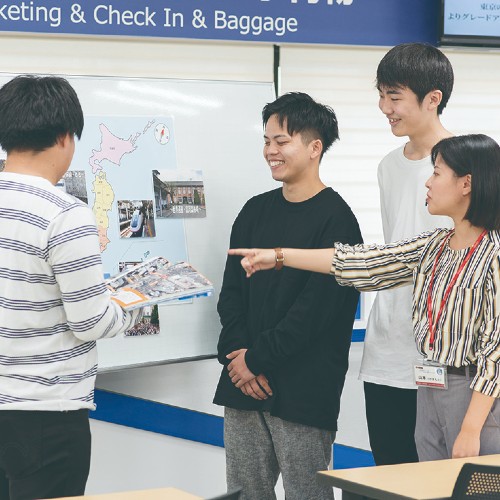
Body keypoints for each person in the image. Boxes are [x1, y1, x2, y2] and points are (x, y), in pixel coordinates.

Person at [229, 134, 500, 462]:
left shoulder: (494, 255)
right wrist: (280, 256)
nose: (427, 182)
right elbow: (362, 263)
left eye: (437, 173)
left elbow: (494, 353)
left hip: (475, 396)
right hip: (431, 388)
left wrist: (471, 428)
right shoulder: (435, 245)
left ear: (466, 184)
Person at [213, 92, 363, 500]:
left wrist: (256, 361)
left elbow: (315, 314)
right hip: (243, 385)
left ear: (315, 148)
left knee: (307, 494)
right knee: (244, 493)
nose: (270, 151)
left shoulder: (338, 220)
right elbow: (231, 296)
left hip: (302, 390)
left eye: (282, 141)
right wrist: (238, 357)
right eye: (267, 141)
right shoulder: (254, 211)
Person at [0, 75, 141, 500]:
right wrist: (131, 303)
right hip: (44, 414)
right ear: (65, 137)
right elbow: (90, 320)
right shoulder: (64, 213)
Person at [361, 43, 454, 466]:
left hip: (444, 355)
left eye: (394, 96)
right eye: (381, 95)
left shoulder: (471, 162)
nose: (384, 107)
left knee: (442, 480)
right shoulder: (387, 165)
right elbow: (393, 251)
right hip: (386, 348)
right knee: (390, 474)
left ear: (432, 98)